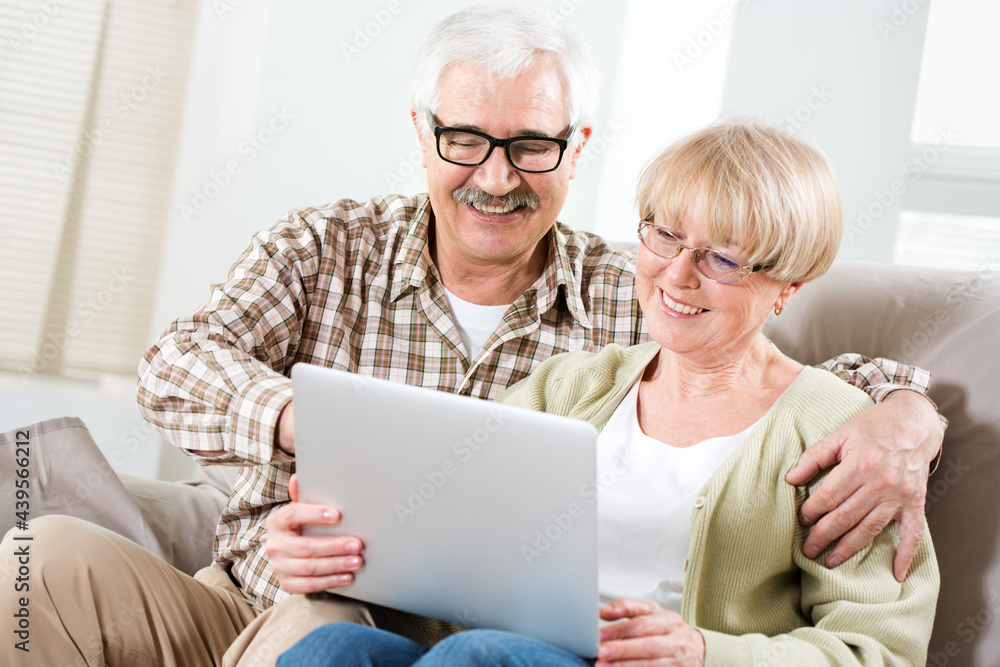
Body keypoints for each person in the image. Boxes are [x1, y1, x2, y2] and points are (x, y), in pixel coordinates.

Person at [0, 5, 943, 667]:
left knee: (335, 634)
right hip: (262, 583)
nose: (496, 177)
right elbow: (173, 363)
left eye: (531, 145)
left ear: (577, 150)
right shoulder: (337, 249)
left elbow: (794, 384)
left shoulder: (637, 298)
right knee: (28, 567)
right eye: (466, 140)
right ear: (422, 133)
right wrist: (302, 424)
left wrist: (906, 412)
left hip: (405, 618)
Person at [277, 118, 940, 667]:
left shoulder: (845, 438)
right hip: (502, 654)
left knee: (481, 658)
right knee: (330, 647)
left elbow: (877, 651)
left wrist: (706, 651)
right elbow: (450, 545)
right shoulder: (571, 387)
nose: (677, 275)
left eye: (723, 258)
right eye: (664, 234)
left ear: (789, 284)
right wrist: (339, 550)